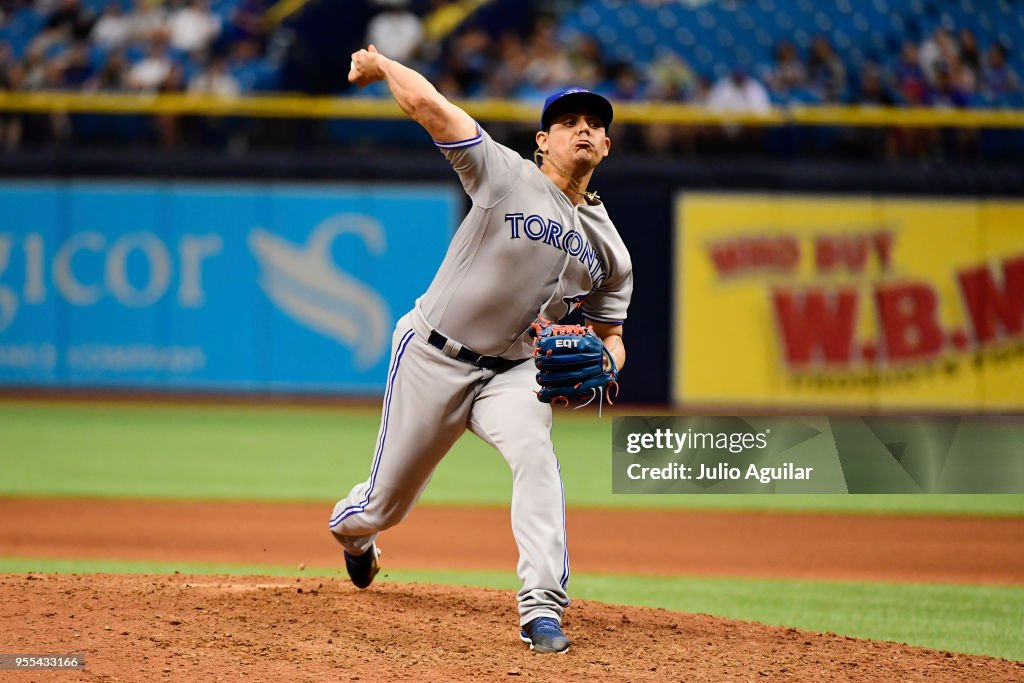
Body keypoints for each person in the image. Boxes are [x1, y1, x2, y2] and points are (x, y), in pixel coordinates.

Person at [331, 44, 632, 655]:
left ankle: (541, 609)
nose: (585, 129)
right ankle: (355, 539)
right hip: (432, 356)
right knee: (382, 505)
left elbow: (612, 338)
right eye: (570, 121)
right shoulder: (505, 173)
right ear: (542, 140)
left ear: (605, 148)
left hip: (515, 372)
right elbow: (429, 106)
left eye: (595, 125)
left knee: (536, 456)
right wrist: (382, 64)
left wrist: (605, 361)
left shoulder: (612, 251)